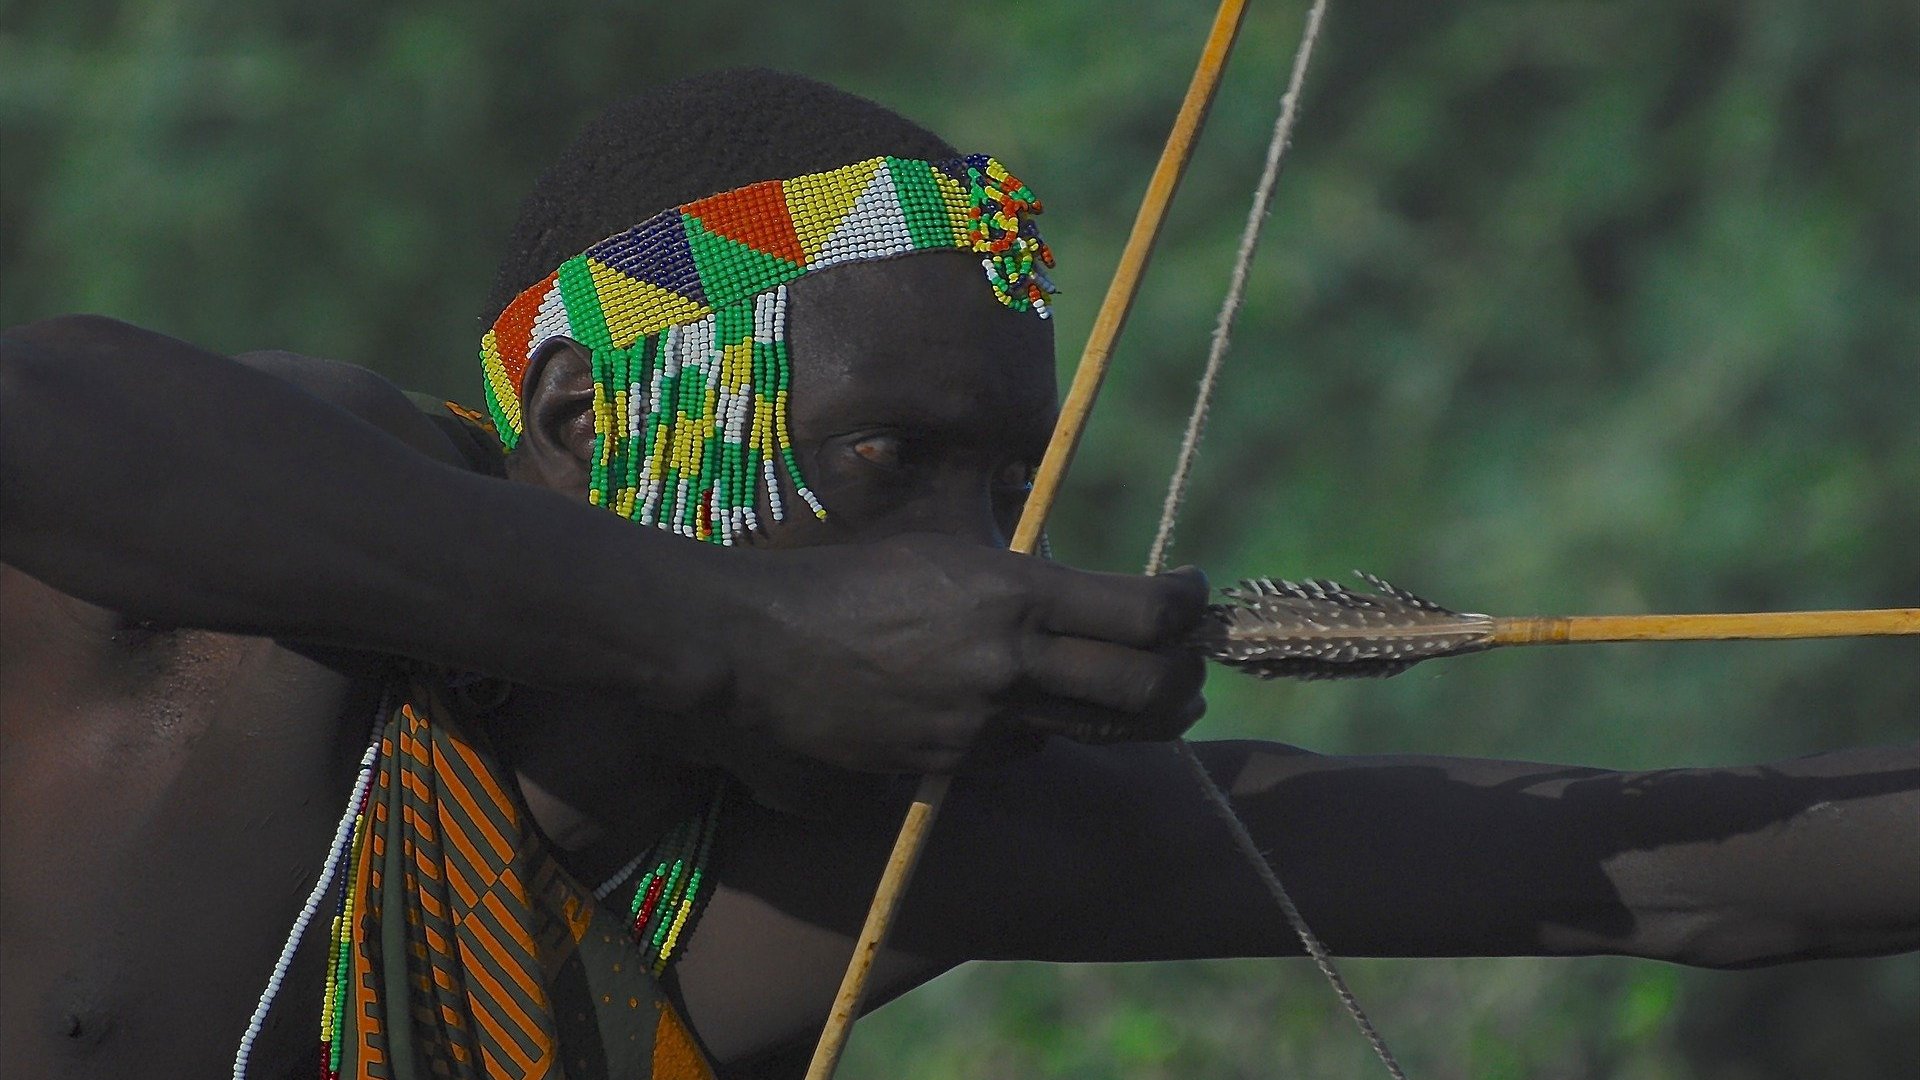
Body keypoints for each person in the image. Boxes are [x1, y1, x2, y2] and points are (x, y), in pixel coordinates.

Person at [2, 69, 1914, 1080]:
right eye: (883, 462)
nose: (968, 555)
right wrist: (735, 640)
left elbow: (1699, 876)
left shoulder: (865, 860)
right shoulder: (220, 599)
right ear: (587, 413)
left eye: (1004, 486)